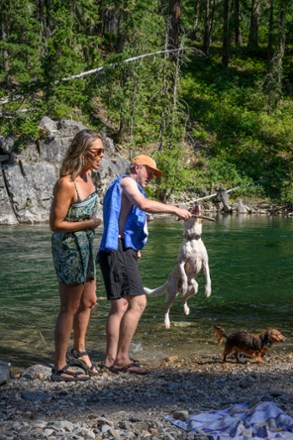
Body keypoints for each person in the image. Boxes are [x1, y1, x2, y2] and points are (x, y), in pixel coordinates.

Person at [98, 154, 191, 374]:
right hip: (117, 250)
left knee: (120, 305)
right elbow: (143, 205)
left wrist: (134, 247)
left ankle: (110, 360)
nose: (151, 177)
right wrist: (174, 209)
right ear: (137, 167)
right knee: (138, 302)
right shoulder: (127, 182)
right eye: (149, 172)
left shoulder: (127, 185)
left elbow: (128, 217)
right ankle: (121, 358)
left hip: (116, 249)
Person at [50, 129, 104, 382]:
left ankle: (79, 350)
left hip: (86, 246)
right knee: (68, 308)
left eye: (103, 151)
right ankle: (59, 366)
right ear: (82, 152)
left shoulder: (89, 176)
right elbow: (56, 224)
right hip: (69, 249)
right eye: (97, 152)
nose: (101, 156)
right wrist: (88, 224)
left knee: (89, 301)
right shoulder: (66, 183)